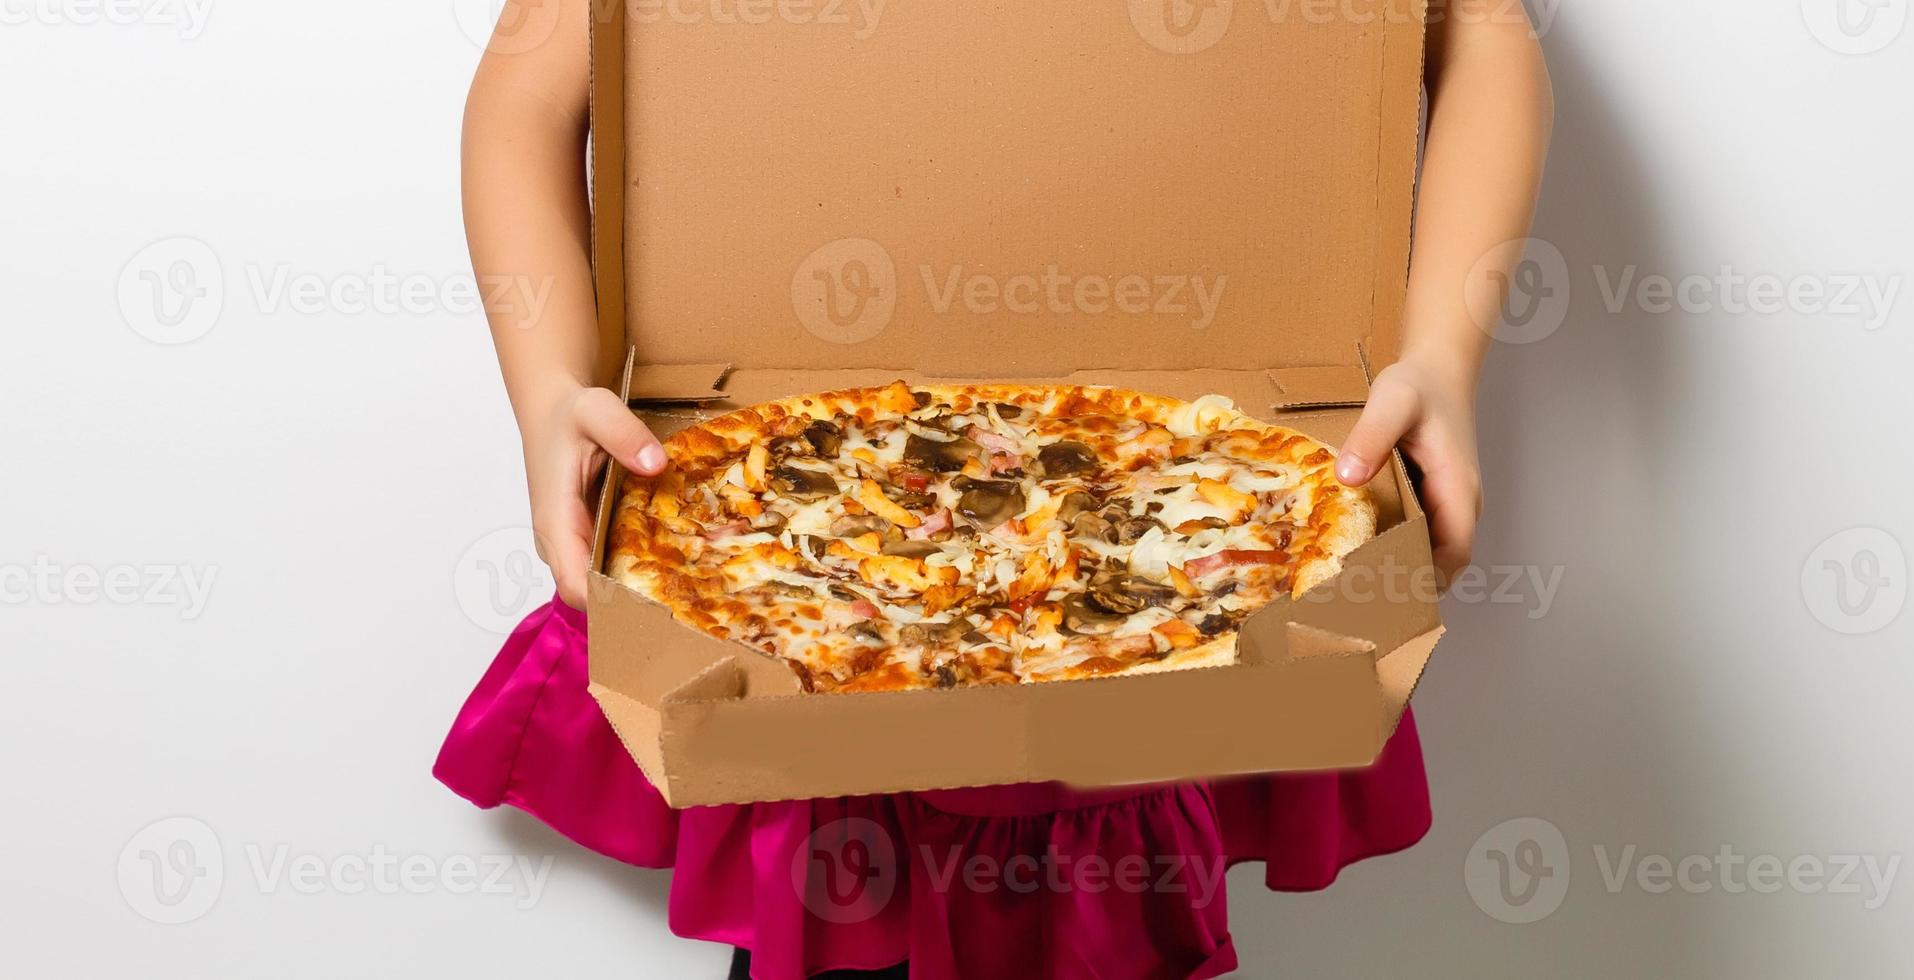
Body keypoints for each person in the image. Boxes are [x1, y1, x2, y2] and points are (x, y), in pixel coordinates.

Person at [438, 1, 1550, 977]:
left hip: (1183, 574)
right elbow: (531, 86)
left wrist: (1442, 366)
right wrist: (548, 397)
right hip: (796, 601)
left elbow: (1479, 28)